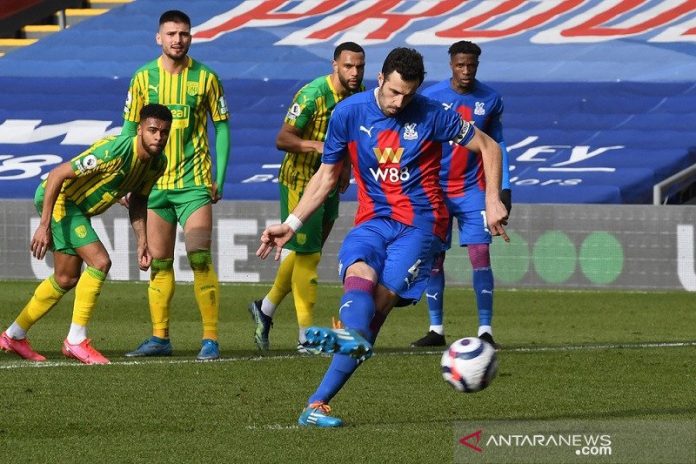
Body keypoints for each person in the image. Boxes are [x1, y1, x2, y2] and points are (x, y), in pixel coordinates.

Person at [257, 48, 508, 427]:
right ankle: (335, 364)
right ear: (380, 80)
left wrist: (492, 201)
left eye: (407, 94)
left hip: (420, 227)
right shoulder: (349, 113)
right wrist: (291, 224)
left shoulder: (433, 114)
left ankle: (318, 399)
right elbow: (327, 176)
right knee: (359, 277)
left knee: (373, 316)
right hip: (372, 219)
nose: (398, 101)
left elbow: (488, 146)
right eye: (393, 92)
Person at [0, 104, 172, 365]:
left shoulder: (157, 163)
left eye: (164, 132)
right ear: (139, 130)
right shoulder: (114, 150)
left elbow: (138, 200)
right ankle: (76, 340)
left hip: (78, 208)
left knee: (65, 278)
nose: (158, 137)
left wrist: (142, 242)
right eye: (152, 130)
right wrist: (44, 225)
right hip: (62, 200)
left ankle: (14, 334)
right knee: (100, 262)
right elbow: (57, 174)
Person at [121, 10, 230, 361]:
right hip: (155, 186)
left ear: (191, 37)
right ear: (159, 38)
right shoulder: (142, 78)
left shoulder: (206, 78)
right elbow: (128, 130)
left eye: (183, 33)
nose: (177, 39)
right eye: (171, 34)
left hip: (195, 183)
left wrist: (220, 177)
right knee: (160, 263)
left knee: (199, 256)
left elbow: (222, 127)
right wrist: (128, 177)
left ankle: (210, 339)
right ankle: (160, 338)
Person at [248, 42, 366, 353]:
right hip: (301, 182)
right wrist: (321, 148)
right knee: (310, 256)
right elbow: (282, 138)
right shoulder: (312, 95)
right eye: (348, 66)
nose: (354, 73)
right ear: (334, 65)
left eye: (359, 67)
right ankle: (306, 338)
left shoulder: (359, 93)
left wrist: (345, 168)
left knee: (305, 254)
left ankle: (266, 309)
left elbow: (353, 136)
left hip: (328, 182)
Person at [411, 40, 512, 349]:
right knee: (434, 258)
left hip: (473, 189)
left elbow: (498, 147)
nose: (466, 71)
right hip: (436, 188)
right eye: (460, 65)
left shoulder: (490, 99)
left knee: (480, 254)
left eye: (471, 65)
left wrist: (503, 189)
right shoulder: (430, 97)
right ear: (451, 64)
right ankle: (436, 329)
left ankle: (485, 330)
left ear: (477, 65)